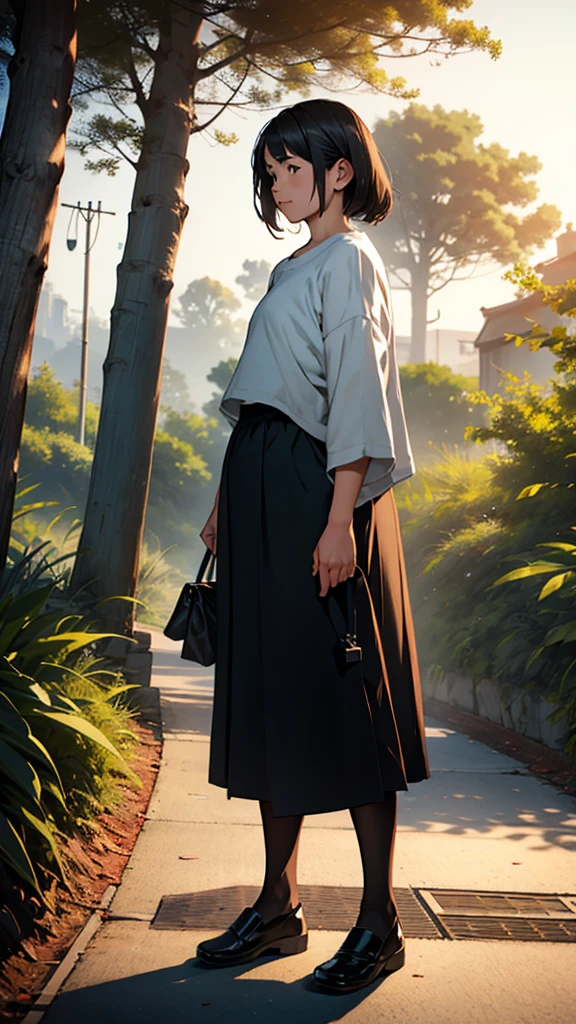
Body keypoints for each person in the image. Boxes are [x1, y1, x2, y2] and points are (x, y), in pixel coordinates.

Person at [195, 98, 431, 994]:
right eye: (270, 169)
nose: (276, 182)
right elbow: (267, 391)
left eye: (292, 166)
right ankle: (278, 907)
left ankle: (379, 923)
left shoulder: (350, 260)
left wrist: (340, 521)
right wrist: (224, 496)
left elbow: (358, 396)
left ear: (340, 171)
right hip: (264, 487)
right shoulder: (293, 266)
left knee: (346, 696)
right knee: (274, 698)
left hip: (318, 495)